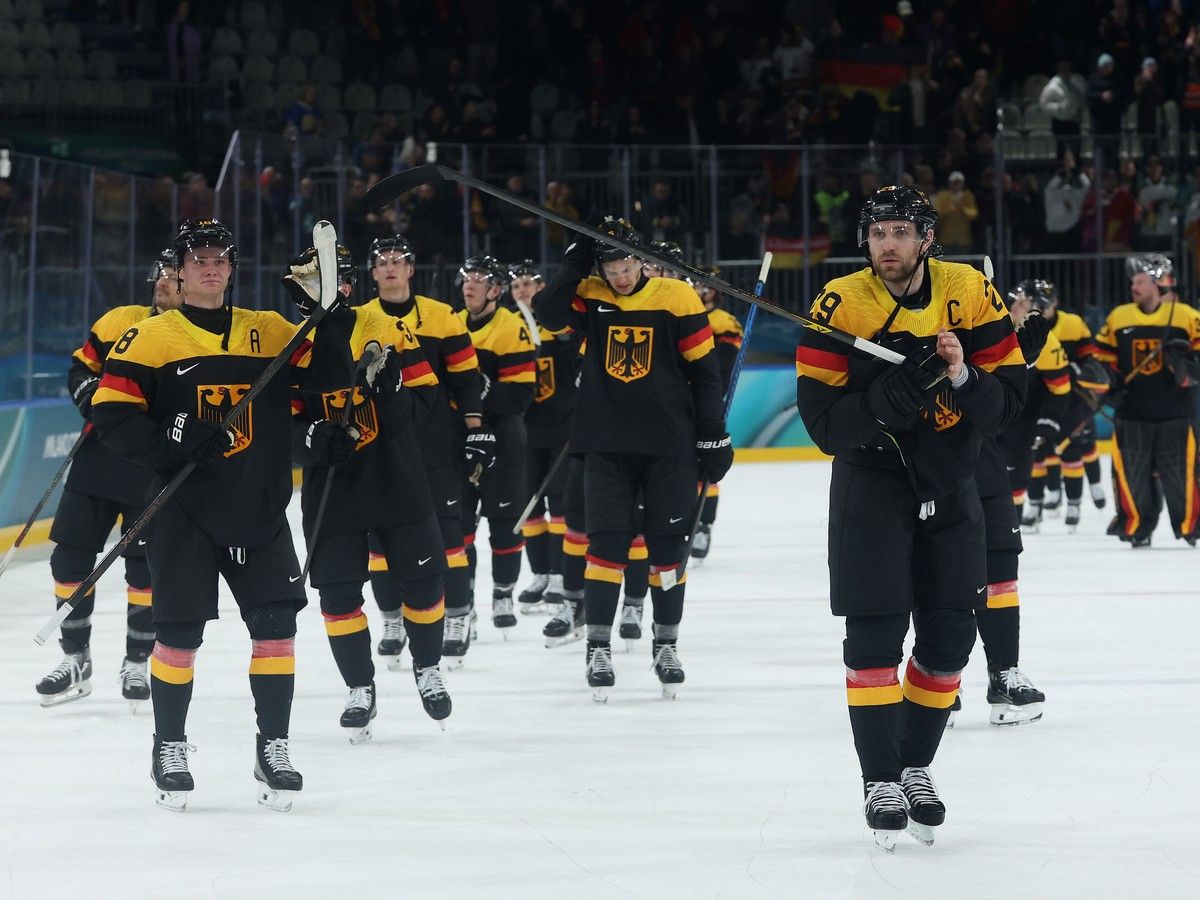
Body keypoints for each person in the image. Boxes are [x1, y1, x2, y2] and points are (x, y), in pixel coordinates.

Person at [91, 218, 352, 812]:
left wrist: (331, 313)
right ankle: (169, 744)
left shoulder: (269, 330)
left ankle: (274, 745)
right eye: (198, 258)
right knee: (179, 637)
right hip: (184, 512)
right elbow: (111, 418)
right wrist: (171, 439)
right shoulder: (151, 338)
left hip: (258, 507)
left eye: (221, 258)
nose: (211, 267)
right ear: (177, 271)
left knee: (276, 629)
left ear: (232, 269)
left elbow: (329, 376)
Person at [793, 186, 1025, 848]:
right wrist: (890, 396)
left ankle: (912, 765)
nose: (886, 244)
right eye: (876, 233)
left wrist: (961, 377)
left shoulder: (972, 291)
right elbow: (824, 427)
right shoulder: (839, 304)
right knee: (874, 641)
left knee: (952, 639)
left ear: (927, 237)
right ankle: (879, 779)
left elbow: (1008, 404)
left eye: (900, 231)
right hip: (872, 489)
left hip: (952, 486)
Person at [538, 218, 732, 702]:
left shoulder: (677, 298)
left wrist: (714, 435)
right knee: (604, 547)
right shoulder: (590, 292)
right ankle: (598, 646)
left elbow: (706, 374)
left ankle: (665, 644)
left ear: (640, 260)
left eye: (626, 264)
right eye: (611, 266)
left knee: (667, 552)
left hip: (670, 447)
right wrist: (574, 259)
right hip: (605, 445)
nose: (621, 276)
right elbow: (547, 312)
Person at [288, 244, 451, 743]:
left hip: (397, 481)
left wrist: (393, 391)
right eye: (312, 279)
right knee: (338, 597)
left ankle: (427, 666)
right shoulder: (290, 342)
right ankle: (360, 686)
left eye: (331, 279)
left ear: (348, 285)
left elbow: (426, 407)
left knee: (423, 587)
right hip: (333, 493)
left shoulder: (387, 328)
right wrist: (314, 440)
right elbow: (282, 429)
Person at [36, 249, 182, 710]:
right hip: (99, 460)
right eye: (161, 272)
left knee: (144, 569)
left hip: (152, 467)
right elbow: (82, 368)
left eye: (175, 274)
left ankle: (137, 660)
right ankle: (75, 658)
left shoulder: (195, 336)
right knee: (69, 559)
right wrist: (91, 401)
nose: (164, 280)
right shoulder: (119, 321)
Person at [354, 236, 491, 667]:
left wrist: (475, 431)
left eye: (398, 260)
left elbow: (467, 379)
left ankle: (456, 616)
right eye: (382, 261)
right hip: (380, 450)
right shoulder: (359, 320)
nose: (390, 267)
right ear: (372, 273)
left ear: (411, 270)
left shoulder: (443, 317)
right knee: (380, 542)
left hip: (436, 447)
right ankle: (392, 619)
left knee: (450, 537)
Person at [960, 283, 1053, 728]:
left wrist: (1021, 362)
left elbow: (999, 407)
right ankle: (940, 680)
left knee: (1001, 574)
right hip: (934, 471)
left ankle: (1004, 674)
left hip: (987, 467)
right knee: (942, 578)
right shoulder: (916, 318)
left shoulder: (986, 325)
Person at [456, 256, 536, 644]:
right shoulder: (451, 323)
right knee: (459, 527)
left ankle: (503, 595)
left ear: (495, 290)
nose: (469, 285)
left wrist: (475, 401)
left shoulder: (511, 326)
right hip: (460, 443)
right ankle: (464, 601)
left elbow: (520, 394)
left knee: (505, 526)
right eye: (466, 278)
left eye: (479, 279)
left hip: (504, 442)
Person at [1094, 255, 1200, 547]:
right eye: (1132, 282)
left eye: (1140, 281)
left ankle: (1191, 526)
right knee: (1132, 474)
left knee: (1183, 474)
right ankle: (1137, 526)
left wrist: (1187, 367)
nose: (1134, 286)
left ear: (1158, 283)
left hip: (1175, 413)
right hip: (1132, 411)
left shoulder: (1186, 317)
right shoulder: (1120, 316)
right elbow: (1102, 360)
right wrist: (1108, 382)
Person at [511, 261, 576, 614]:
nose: (522, 290)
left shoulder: (559, 324)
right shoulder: (508, 328)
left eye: (528, 283)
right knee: (530, 508)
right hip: (524, 434)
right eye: (516, 285)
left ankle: (562, 576)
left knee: (561, 508)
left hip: (563, 430)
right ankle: (541, 573)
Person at [1030, 281, 1110, 526]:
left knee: (1075, 447)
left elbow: (1090, 357)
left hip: (1072, 398)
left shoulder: (1073, 324)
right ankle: (1037, 503)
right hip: (1040, 397)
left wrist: (1081, 370)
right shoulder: (1024, 323)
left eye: (1043, 304)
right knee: (1037, 450)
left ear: (1055, 304)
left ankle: (1077, 500)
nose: (1038, 309)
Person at [996, 281, 1072, 533]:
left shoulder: (1047, 343)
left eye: (1024, 301)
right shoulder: (991, 325)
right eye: (1016, 299)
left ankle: (1009, 536)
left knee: (1015, 479)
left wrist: (1048, 422)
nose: (1016, 304)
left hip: (1021, 419)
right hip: (987, 412)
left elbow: (1060, 389)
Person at [692, 265, 744, 560]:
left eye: (700, 285)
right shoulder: (684, 315)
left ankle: (703, 525)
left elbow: (723, 368)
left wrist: (711, 397)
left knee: (706, 465)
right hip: (679, 402)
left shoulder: (722, 321)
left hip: (706, 401)